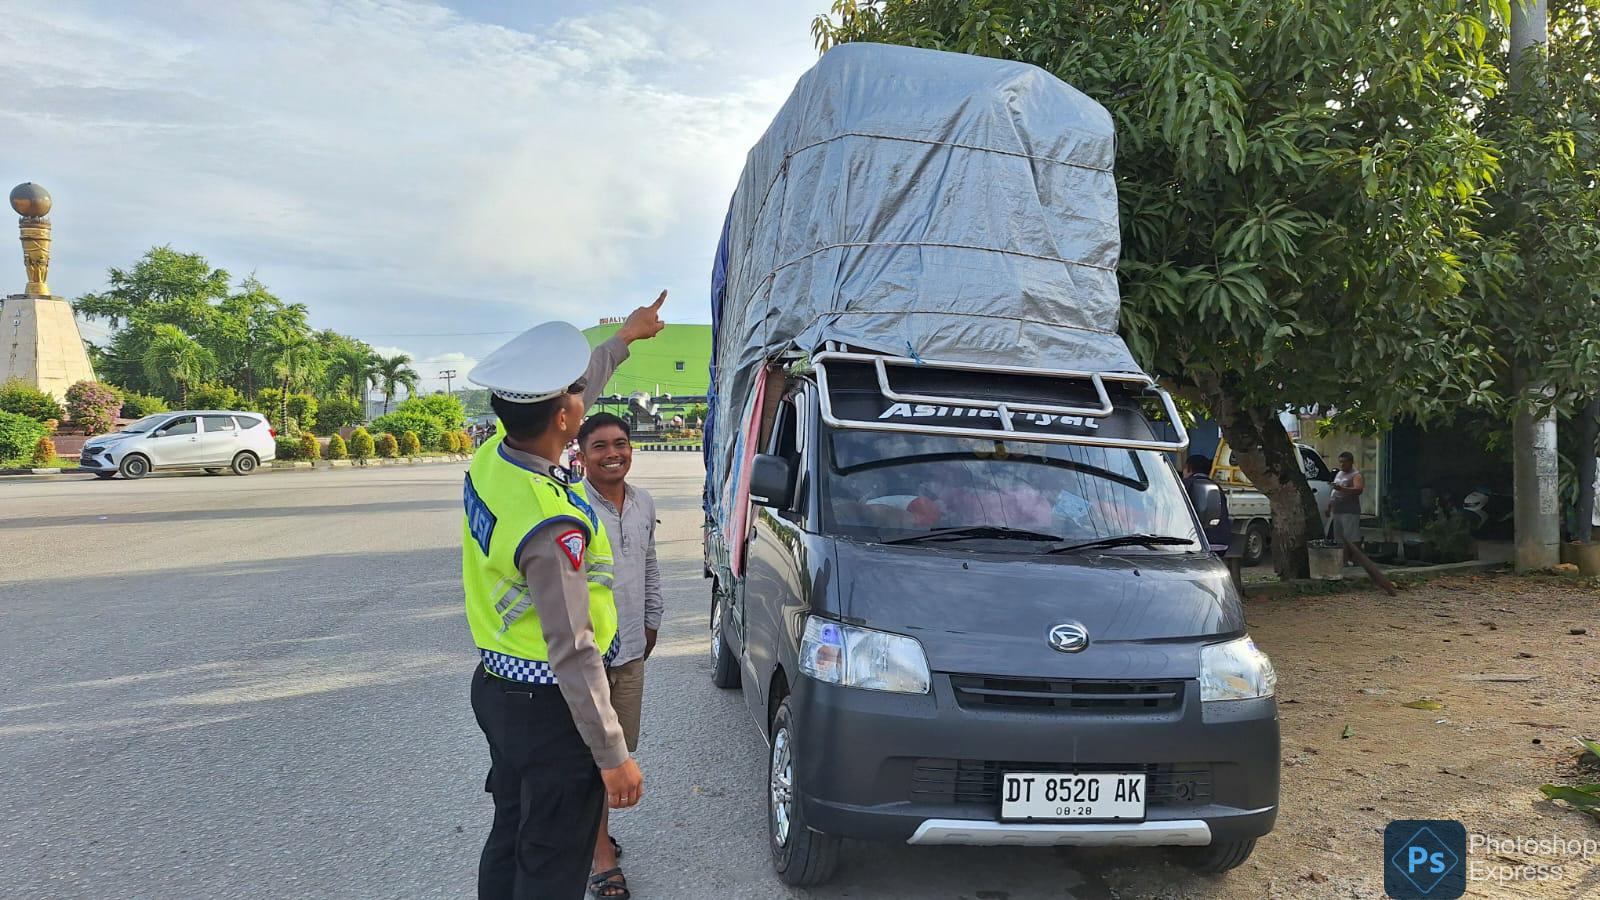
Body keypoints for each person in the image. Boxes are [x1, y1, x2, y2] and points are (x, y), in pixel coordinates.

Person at [462, 292, 666, 900]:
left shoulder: (491, 460)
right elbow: (573, 650)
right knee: (552, 862)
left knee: (513, 833)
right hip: (552, 708)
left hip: (498, 688)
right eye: (575, 394)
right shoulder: (553, 526)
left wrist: (623, 340)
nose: (584, 396)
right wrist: (612, 754)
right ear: (564, 419)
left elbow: (569, 395)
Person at [576, 413, 662, 900]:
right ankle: (601, 857)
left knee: (618, 748)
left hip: (631, 648)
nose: (614, 453)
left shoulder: (643, 502)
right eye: (600, 445)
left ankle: (595, 833)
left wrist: (652, 622)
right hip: (585, 656)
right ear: (582, 454)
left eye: (622, 443)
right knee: (595, 757)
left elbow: (649, 565)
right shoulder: (570, 506)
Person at [1181, 454, 1232, 552]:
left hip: (1198, 544)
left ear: (1188, 469)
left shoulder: (1184, 484)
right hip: (1221, 543)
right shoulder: (1216, 487)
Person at [1329, 451, 1365, 564]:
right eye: (1340, 462)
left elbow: (1358, 490)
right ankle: (1343, 560)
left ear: (1351, 462)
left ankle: (1356, 559)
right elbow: (1334, 492)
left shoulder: (1355, 475)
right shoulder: (1339, 474)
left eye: (1344, 463)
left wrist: (1343, 489)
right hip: (1337, 510)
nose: (1342, 465)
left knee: (1351, 537)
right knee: (1339, 537)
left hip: (1349, 511)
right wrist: (1329, 507)